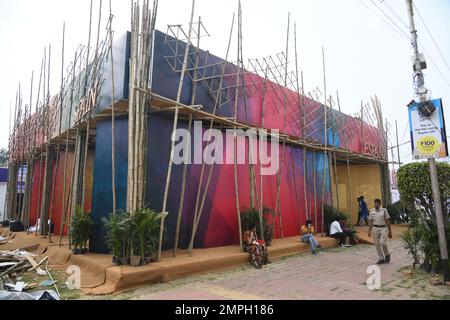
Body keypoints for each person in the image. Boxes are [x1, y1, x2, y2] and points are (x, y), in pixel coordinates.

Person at [368, 199, 392, 264]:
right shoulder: (371, 211)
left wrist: (390, 231)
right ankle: (381, 258)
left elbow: (387, 221)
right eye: (375, 204)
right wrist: (369, 231)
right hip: (375, 228)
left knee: (382, 242)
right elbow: (370, 221)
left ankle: (387, 255)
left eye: (377, 204)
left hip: (383, 228)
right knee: (377, 244)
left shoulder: (384, 210)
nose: (376, 205)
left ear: (380, 204)